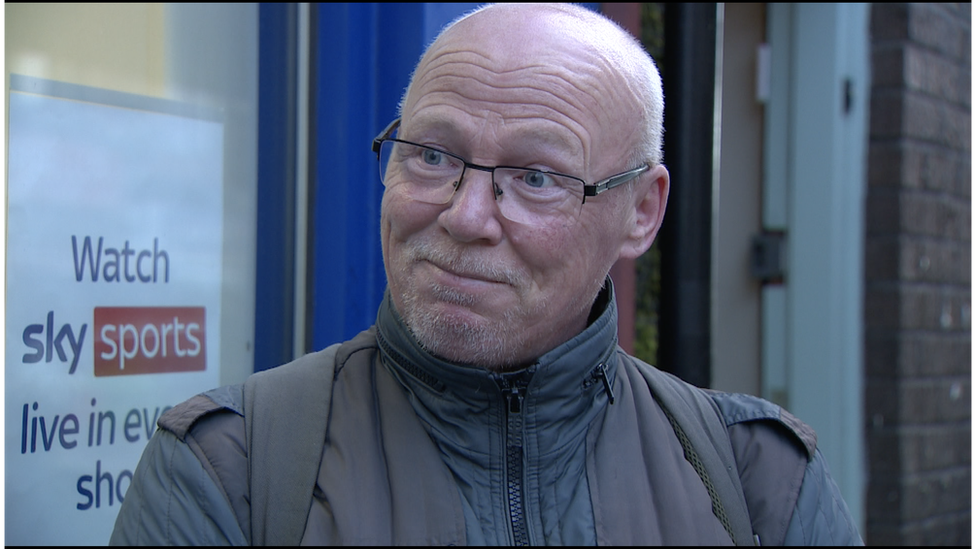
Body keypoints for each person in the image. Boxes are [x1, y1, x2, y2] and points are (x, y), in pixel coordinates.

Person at [110, 3, 863, 546]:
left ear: (642, 211)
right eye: (431, 155)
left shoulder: (761, 482)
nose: (466, 215)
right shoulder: (228, 469)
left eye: (536, 175)